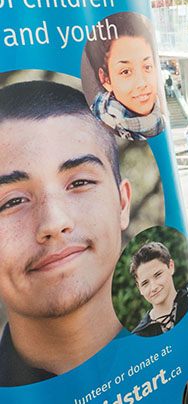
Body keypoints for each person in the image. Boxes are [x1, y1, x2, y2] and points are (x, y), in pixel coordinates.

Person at [0, 81, 132, 386]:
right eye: (13, 201)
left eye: (79, 183)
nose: (54, 223)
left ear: (122, 203)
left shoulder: (181, 341)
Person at [85, 12, 165, 141]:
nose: (142, 83)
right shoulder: (99, 131)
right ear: (106, 79)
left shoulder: (161, 119)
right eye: (126, 72)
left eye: (147, 67)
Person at [129, 241, 188, 337]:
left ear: (171, 267)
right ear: (139, 288)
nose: (153, 288)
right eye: (145, 283)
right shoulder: (139, 337)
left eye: (158, 275)